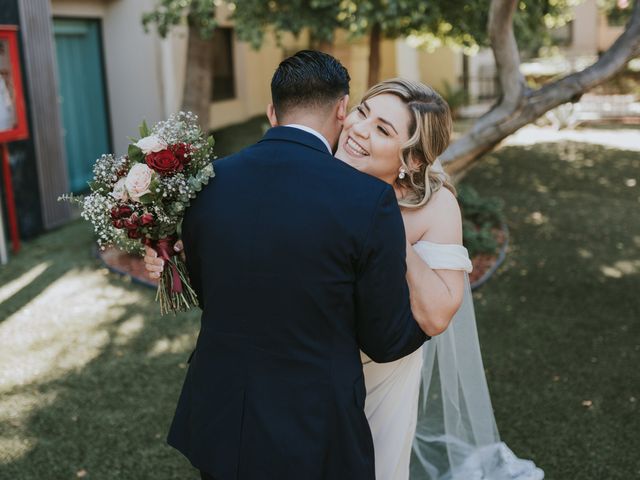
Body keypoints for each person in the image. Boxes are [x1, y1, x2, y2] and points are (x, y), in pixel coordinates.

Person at [147, 72, 544, 478]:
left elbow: (439, 314)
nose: (358, 130)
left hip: (378, 368)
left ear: (413, 159)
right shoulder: (314, 172)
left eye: (382, 129)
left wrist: (384, 228)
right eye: (363, 112)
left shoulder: (436, 206)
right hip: (297, 364)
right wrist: (173, 257)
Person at [149, 51, 429, 480]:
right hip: (313, 426)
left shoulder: (208, 182)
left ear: (271, 111)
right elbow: (385, 339)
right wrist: (433, 321)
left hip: (222, 415)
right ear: (341, 109)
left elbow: (208, 291)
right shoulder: (367, 201)